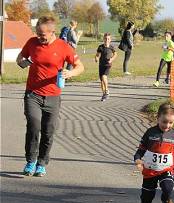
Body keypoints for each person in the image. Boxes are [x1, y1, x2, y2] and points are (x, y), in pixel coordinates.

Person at [16, 16, 84, 177]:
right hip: (33, 94)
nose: (39, 37)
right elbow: (20, 57)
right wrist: (22, 62)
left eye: (42, 35)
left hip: (53, 96)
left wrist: (70, 73)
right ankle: (31, 161)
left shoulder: (63, 46)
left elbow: (80, 66)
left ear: (52, 32)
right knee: (34, 126)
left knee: (48, 131)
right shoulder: (32, 42)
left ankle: (41, 163)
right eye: (38, 33)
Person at [134, 103, 174, 203]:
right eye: (164, 122)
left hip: (166, 169)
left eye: (171, 123)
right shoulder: (150, 133)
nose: (167, 125)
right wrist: (138, 160)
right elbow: (140, 151)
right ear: (158, 118)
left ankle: (166, 199)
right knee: (147, 196)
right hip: (150, 170)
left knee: (168, 188)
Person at [95, 33, 117, 101]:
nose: (106, 40)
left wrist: (112, 59)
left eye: (108, 39)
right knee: (101, 81)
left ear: (110, 40)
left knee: (104, 76)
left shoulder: (111, 47)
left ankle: (107, 90)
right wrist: (96, 58)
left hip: (108, 65)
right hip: (101, 65)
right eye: (105, 39)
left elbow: (115, 54)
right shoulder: (100, 47)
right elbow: (97, 55)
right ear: (103, 39)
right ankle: (104, 94)